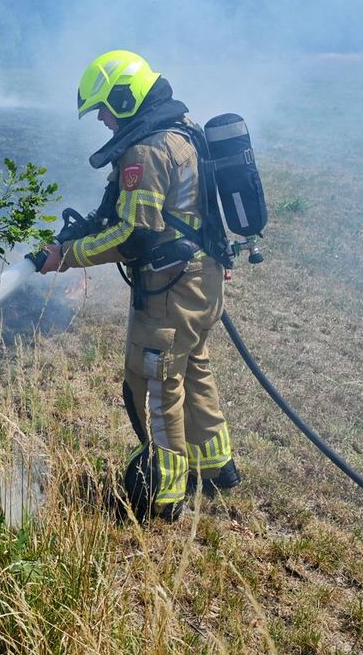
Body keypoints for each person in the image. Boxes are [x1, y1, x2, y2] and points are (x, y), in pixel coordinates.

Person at [34, 50, 241, 522]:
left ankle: (163, 496)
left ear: (126, 96)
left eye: (105, 108)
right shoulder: (181, 128)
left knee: (156, 379)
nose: (104, 120)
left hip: (171, 287)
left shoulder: (146, 150)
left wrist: (65, 256)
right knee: (192, 370)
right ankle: (215, 469)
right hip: (202, 279)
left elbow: (133, 233)